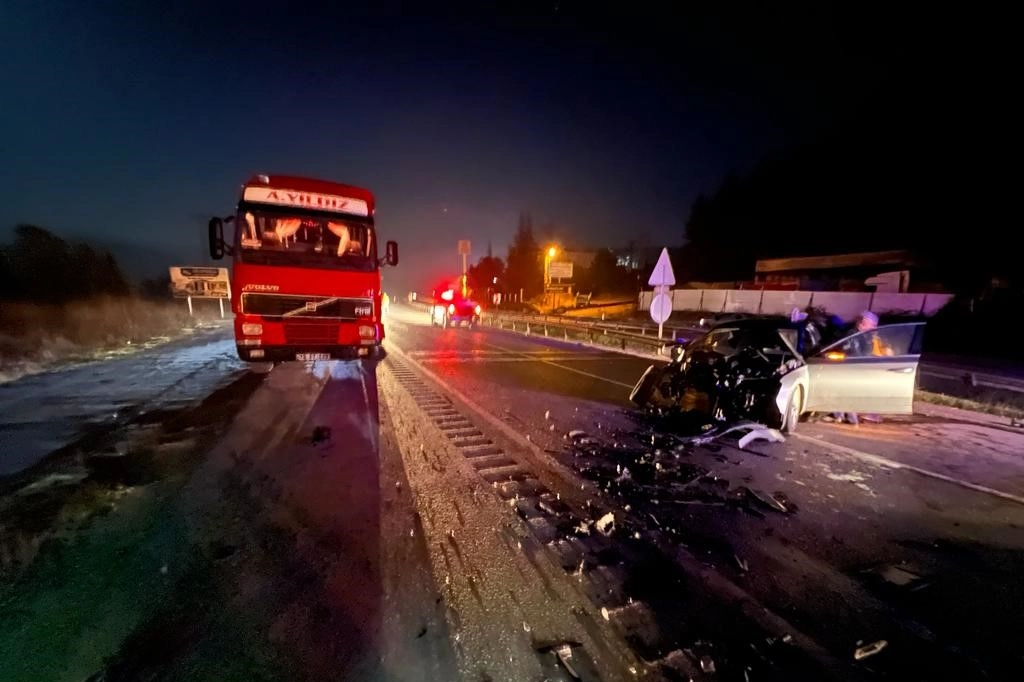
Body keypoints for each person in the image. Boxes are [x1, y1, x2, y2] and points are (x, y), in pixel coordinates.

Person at [831, 310, 882, 425]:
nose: (875, 328)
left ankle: (850, 415)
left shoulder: (865, 337)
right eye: (873, 325)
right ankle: (849, 416)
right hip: (849, 370)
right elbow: (857, 356)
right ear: (863, 323)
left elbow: (867, 354)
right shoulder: (853, 335)